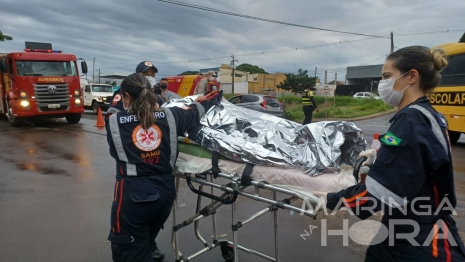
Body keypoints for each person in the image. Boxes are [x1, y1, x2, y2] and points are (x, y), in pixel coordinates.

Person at [313, 46, 465, 261]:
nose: (382, 83)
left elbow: (383, 191)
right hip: (408, 224)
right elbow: (416, 155)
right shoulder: (428, 115)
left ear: (411, 76)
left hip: (420, 237)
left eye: (387, 76)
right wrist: (380, 153)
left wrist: (334, 199)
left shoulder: (410, 120)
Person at [105, 73, 222, 262]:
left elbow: (115, 106)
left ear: (126, 96)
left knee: (130, 251)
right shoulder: (171, 116)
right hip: (165, 196)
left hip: (134, 196)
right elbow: (199, 107)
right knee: (145, 239)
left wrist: (126, 95)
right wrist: (215, 95)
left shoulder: (114, 121)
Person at [106, 63, 165, 262]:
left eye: (152, 74)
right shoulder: (122, 93)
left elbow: (164, 116)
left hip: (154, 155)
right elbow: (114, 118)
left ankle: (149, 243)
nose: (150, 77)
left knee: (148, 215)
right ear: (137, 75)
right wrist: (140, 115)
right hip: (130, 154)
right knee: (135, 214)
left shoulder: (155, 93)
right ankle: (144, 246)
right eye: (146, 74)